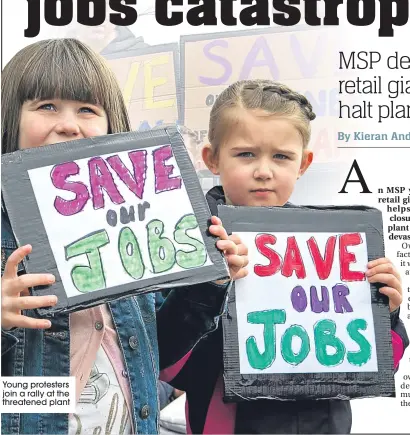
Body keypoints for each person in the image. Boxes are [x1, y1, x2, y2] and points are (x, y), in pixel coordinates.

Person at [1, 39, 248, 435]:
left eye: (87, 109)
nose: (68, 124)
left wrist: (210, 281)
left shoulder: (141, 222)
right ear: (10, 118)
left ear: (109, 125)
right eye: (46, 106)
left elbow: (162, 351)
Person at [163, 80, 409, 434]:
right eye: (246, 153)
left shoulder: (332, 247)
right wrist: (210, 286)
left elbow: (380, 365)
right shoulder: (190, 244)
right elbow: (169, 366)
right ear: (211, 159)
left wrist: (384, 312)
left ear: (303, 163)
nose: (264, 170)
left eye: (281, 156)